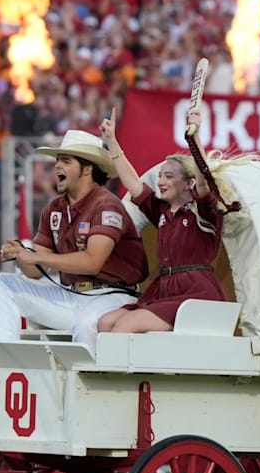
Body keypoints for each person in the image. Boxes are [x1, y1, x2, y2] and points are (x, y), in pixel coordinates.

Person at [0, 129, 147, 342]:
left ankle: (88, 375)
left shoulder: (107, 204)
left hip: (113, 296)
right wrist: (20, 255)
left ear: (87, 169)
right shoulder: (55, 208)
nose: (57, 166)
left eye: (66, 161)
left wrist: (37, 257)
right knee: (0, 284)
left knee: (87, 322)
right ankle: (2, 359)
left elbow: (92, 262)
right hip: (71, 295)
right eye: (58, 160)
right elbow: (35, 272)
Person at [96, 106, 228, 334]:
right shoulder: (163, 213)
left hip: (196, 292)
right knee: (105, 323)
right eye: (159, 176)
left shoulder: (204, 211)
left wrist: (194, 137)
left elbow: (204, 180)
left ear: (188, 183)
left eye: (168, 176)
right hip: (165, 290)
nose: (161, 181)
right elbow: (134, 184)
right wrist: (112, 142)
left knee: (123, 327)